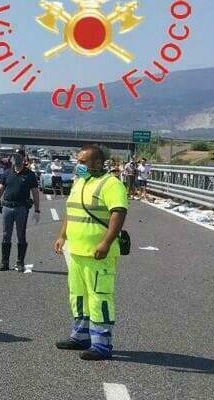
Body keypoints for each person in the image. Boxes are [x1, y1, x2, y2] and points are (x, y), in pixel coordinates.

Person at [53, 144, 128, 361]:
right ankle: (80, 335)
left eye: (83, 162)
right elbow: (71, 210)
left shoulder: (111, 184)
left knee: (99, 298)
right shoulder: (80, 182)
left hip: (98, 253)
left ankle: (102, 345)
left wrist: (105, 243)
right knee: (78, 295)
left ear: (97, 162)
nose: (79, 165)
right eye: (78, 161)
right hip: (75, 251)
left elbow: (118, 213)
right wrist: (62, 236)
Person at [0, 152, 41, 272]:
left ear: (23, 159)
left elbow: (35, 192)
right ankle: (5, 262)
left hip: (21, 209)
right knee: (6, 235)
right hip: (7, 207)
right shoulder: (7, 173)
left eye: (18, 157)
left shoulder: (30, 175)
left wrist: (37, 210)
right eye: (14, 157)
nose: (16, 159)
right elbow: (0, 189)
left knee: (21, 235)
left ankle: (20, 262)